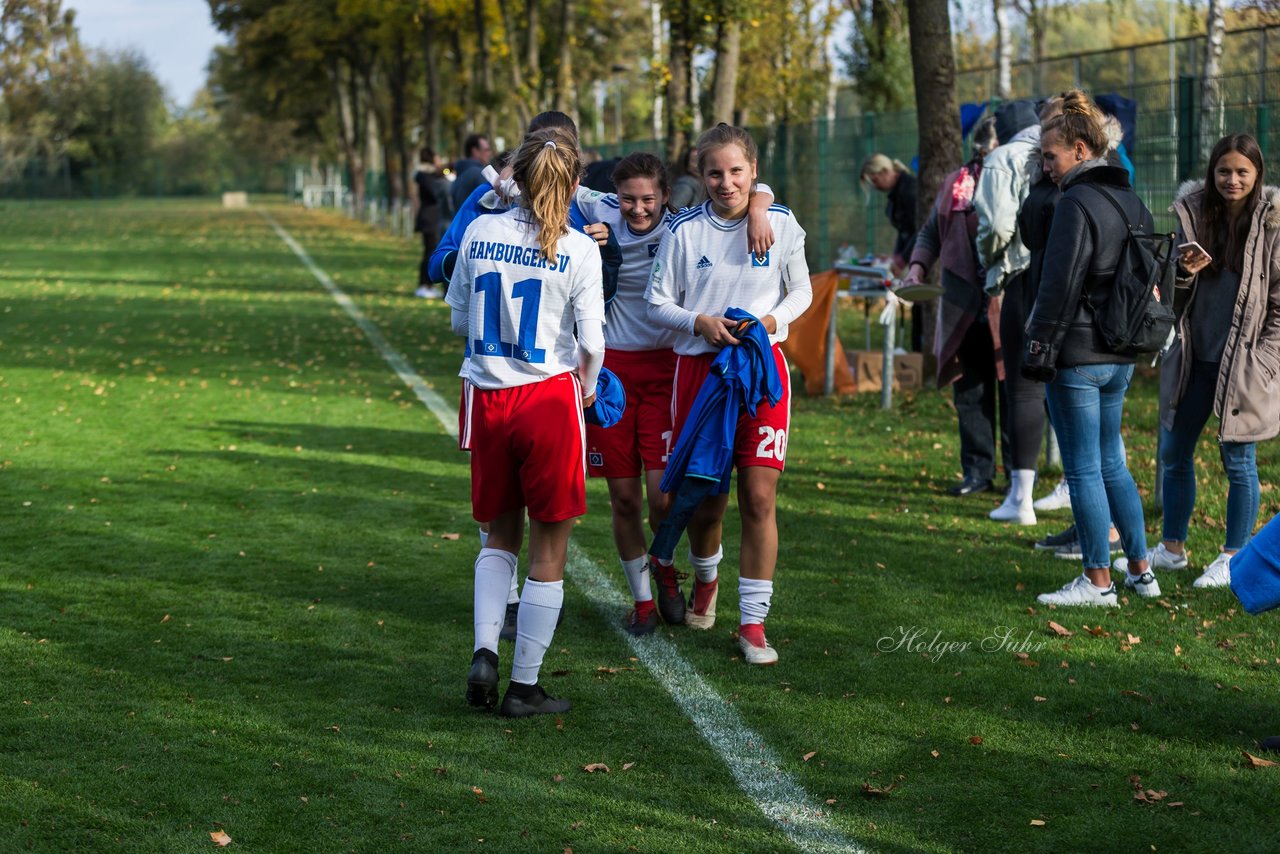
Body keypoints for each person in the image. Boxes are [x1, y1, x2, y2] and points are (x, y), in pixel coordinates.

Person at [576, 152, 778, 635]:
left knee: (663, 499)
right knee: (623, 500)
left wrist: (758, 207)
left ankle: (665, 558)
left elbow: (750, 186)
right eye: (628, 199)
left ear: (666, 196)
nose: (638, 209)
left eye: (648, 199)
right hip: (612, 373)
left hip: (668, 370)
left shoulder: (682, 229)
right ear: (615, 197)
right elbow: (553, 185)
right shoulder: (599, 212)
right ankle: (644, 600)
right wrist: (500, 183)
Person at [447, 127, 606, 718]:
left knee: (498, 536)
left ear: (515, 175)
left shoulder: (481, 230)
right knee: (550, 544)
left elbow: (460, 316)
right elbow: (593, 341)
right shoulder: (579, 248)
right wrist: (587, 389)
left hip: (487, 398)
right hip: (547, 400)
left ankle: (485, 649)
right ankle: (523, 685)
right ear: (573, 184)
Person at [646, 122, 812, 664]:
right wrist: (699, 322)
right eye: (714, 172)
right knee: (706, 502)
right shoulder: (684, 231)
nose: (726, 182)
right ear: (700, 174)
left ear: (754, 172)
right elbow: (657, 302)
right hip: (699, 376)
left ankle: (753, 626)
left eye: (736, 171)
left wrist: (768, 320)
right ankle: (707, 579)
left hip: (761, 373)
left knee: (760, 498)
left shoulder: (781, 223)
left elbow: (802, 291)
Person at [1022, 90, 1155, 607]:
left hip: (1077, 354)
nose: (1046, 166)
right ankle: (1141, 572)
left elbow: (1058, 285)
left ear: (1080, 150)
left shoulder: (1076, 202)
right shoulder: (1132, 199)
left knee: (1082, 469)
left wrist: (1038, 349)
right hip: (1120, 353)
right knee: (1111, 464)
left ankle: (1098, 582)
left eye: (1050, 156)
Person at [1130, 133, 1280, 589]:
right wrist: (1179, 274)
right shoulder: (1193, 215)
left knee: (1239, 460)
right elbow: (1168, 294)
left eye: (1241, 172)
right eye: (1223, 171)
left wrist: (1268, 357)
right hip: (1195, 356)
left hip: (1247, 363)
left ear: (1257, 175)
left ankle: (1232, 557)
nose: (1231, 180)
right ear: (1212, 173)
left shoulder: (1273, 225)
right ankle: (1172, 548)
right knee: (1174, 454)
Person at [901, 118, 1009, 498]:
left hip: (1006, 304)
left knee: (1012, 391)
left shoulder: (1016, 182)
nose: (987, 156)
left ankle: (1017, 476)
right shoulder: (956, 183)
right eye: (984, 150)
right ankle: (977, 473)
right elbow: (930, 232)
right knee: (971, 394)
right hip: (962, 304)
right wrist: (916, 268)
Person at [974, 100, 1047, 524]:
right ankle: (1071, 489)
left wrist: (989, 258)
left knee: (1022, 388)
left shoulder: (1003, 157)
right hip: (1063, 277)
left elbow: (998, 226)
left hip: (1020, 275)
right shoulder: (1068, 153)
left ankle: (1021, 498)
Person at [861, 153, 924, 352]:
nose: (875, 186)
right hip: (914, 254)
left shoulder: (910, 190)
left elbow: (919, 230)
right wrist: (896, 257)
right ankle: (916, 354)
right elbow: (904, 232)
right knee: (918, 304)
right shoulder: (897, 194)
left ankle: (921, 354)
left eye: (875, 179)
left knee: (923, 304)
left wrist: (902, 258)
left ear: (885, 172)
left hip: (924, 257)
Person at [412, 147, 450, 299]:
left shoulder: (430, 175)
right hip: (429, 218)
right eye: (437, 158)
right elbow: (435, 193)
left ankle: (427, 284)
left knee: (430, 251)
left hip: (432, 218)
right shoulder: (425, 176)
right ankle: (424, 285)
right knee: (429, 252)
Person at [450, 133, 494, 211]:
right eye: (486, 150)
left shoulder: (461, 173)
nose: (489, 153)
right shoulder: (479, 174)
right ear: (475, 151)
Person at [669, 146, 707, 210]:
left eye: (701, 160)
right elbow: (672, 210)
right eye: (694, 161)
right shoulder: (685, 186)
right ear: (687, 165)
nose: (698, 165)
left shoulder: (704, 184)